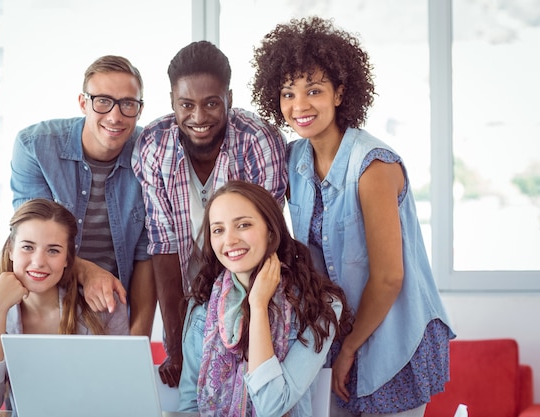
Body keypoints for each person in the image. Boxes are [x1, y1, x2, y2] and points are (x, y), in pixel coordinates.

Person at [251, 16, 455, 416]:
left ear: (340, 93)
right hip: (335, 336)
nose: (300, 106)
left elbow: (388, 277)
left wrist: (348, 349)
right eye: (288, 93)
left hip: (393, 335)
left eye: (314, 91)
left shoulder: (373, 166)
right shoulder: (293, 160)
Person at [132, 41, 288, 386]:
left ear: (229, 97)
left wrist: (242, 333)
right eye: (186, 104)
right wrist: (175, 347)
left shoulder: (257, 140)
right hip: (187, 296)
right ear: (172, 101)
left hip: (251, 290)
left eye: (211, 103)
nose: (198, 117)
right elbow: (164, 246)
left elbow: (265, 242)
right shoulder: (154, 145)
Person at [177, 180, 352, 416]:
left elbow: (272, 406)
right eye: (218, 230)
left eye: (243, 225)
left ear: (271, 231)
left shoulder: (319, 306)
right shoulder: (202, 305)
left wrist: (258, 305)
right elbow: (189, 404)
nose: (229, 241)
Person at [10, 55, 155, 337]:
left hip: (109, 306)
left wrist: (138, 342)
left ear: (139, 110)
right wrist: (87, 271)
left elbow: (146, 255)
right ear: (83, 103)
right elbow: (31, 237)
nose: (115, 116)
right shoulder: (34, 146)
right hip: (42, 297)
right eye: (102, 100)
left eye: (128, 103)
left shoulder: (151, 154)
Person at [0, 199, 129, 417]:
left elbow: (122, 398)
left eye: (53, 251)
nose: (39, 261)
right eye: (27, 247)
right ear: (11, 250)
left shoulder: (103, 311)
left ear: (67, 259)